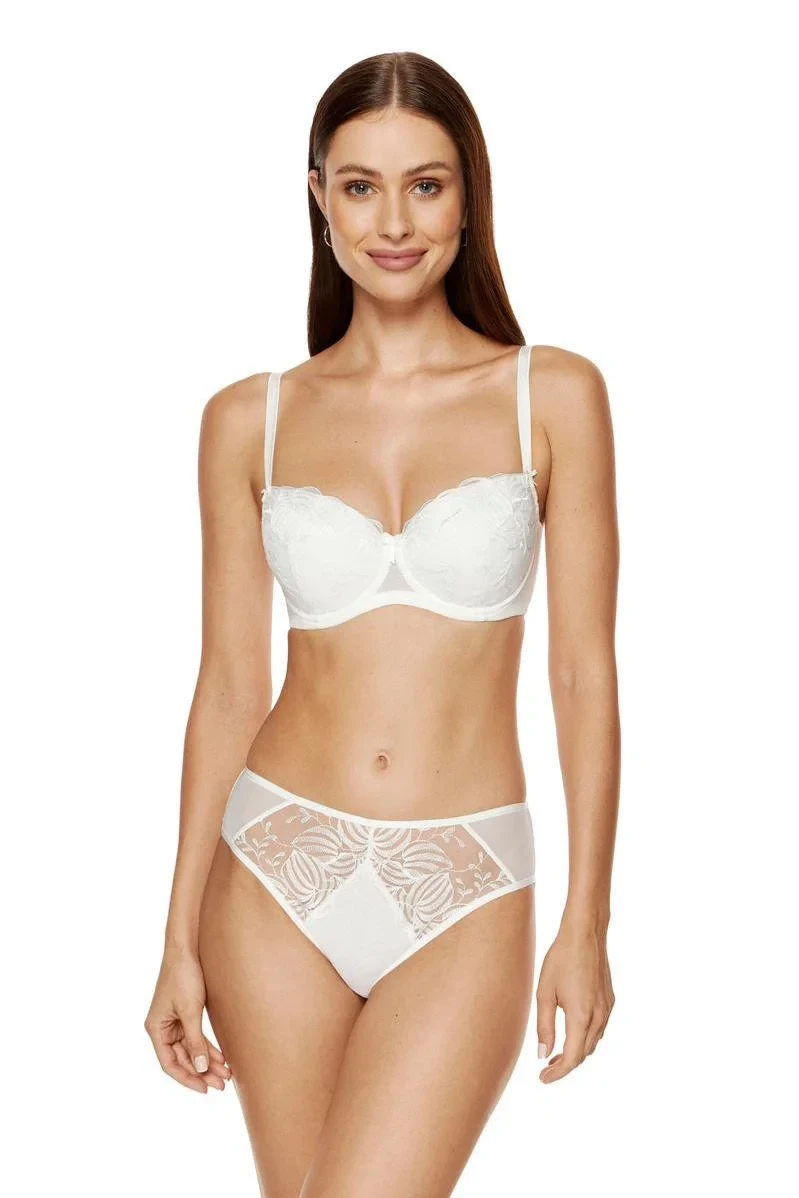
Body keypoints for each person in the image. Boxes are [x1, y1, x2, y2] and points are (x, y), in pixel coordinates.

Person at [145, 50, 620, 1198]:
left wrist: (587, 920)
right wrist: (175, 936)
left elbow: (581, 675)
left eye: (426, 185)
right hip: (272, 867)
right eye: (360, 187)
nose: (393, 223)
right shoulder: (247, 419)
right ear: (319, 197)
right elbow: (228, 683)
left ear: (468, 196)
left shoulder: (551, 395)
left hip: (465, 879)